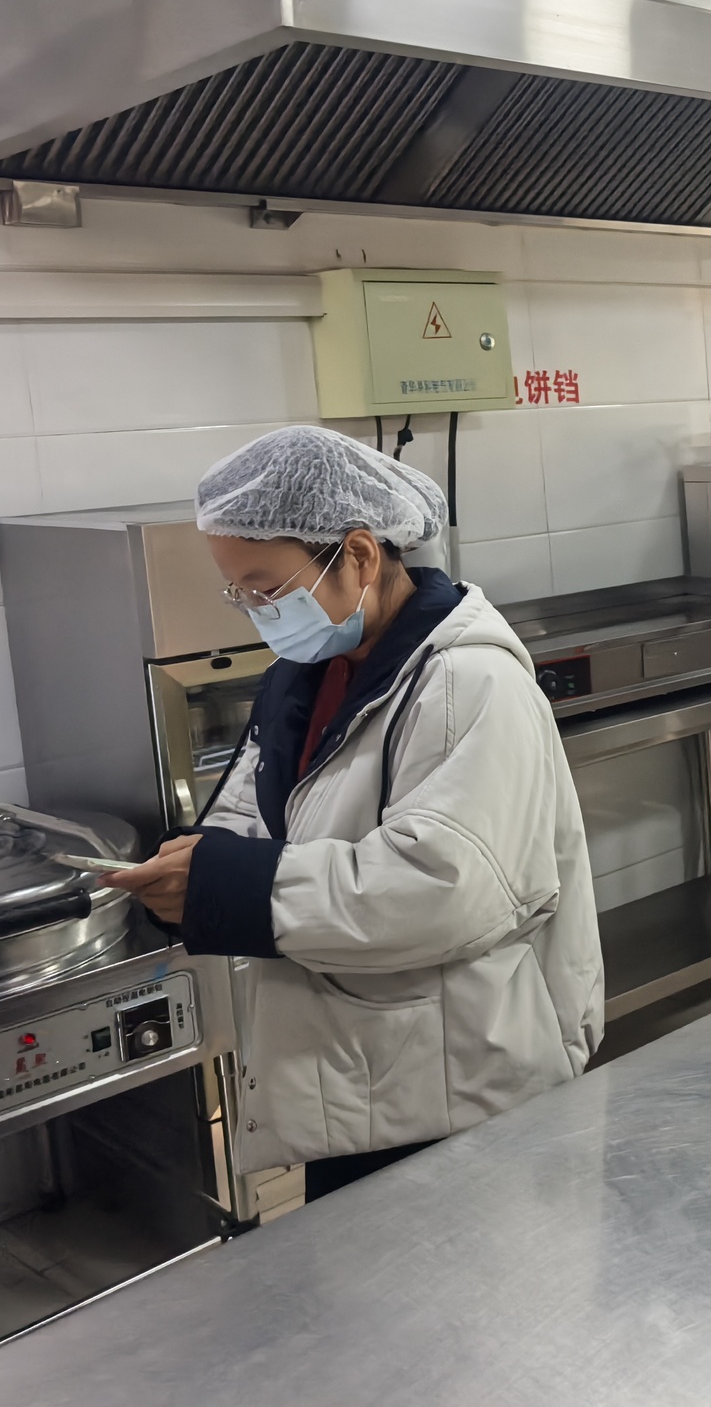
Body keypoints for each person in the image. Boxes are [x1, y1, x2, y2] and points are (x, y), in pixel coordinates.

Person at [103, 425, 603, 1202]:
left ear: (360, 556)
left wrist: (232, 888)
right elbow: (256, 809)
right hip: (359, 1079)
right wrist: (190, 869)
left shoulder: (466, 684)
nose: (255, 610)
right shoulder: (311, 671)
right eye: (238, 591)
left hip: (454, 1084)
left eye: (266, 588)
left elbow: (443, 890)